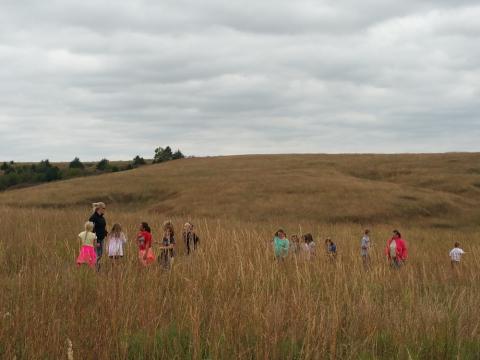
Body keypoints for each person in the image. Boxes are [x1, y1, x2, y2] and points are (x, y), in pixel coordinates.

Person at [89, 202, 107, 270]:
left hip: (101, 238)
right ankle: (95, 269)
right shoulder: (93, 218)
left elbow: (103, 227)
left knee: (100, 255)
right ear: (99, 208)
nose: (104, 210)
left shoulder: (102, 217)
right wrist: (95, 240)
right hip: (96, 239)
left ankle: (96, 268)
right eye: (103, 208)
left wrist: (106, 233)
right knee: (96, 254)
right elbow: (91, 230)